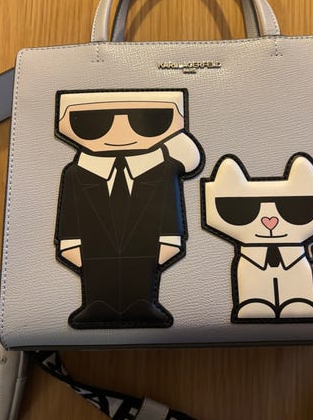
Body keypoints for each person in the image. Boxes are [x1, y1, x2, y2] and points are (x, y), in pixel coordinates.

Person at [55, 89, 203, 328]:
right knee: (98, 288)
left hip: (146, 255)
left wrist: (169, 243)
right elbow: (70, 220)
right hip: (94, 257)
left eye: (149, 121)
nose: (120, 132)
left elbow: (170, 216)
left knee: (141, 283)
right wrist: (70, 247)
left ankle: (143, 303)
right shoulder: (76, 174)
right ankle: (96, 304)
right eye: (95, 123)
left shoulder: (165, 171)